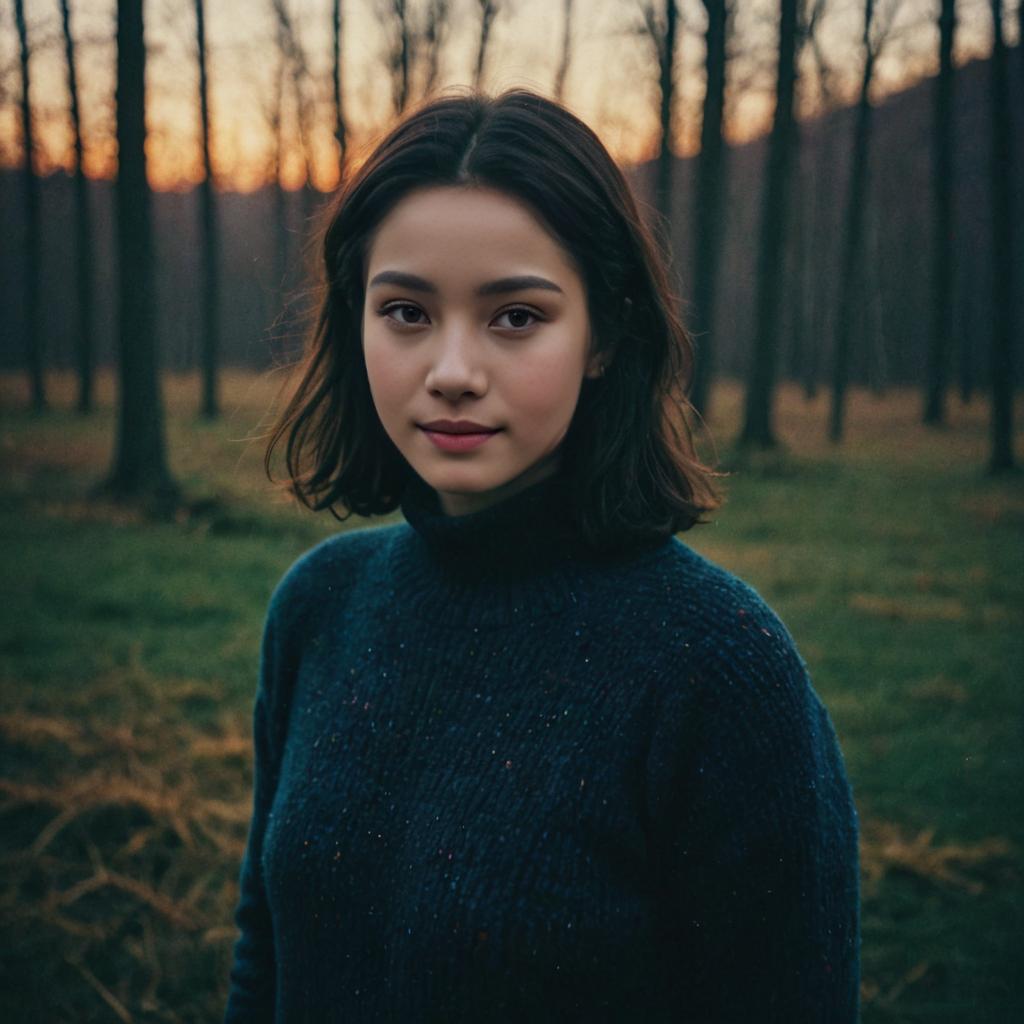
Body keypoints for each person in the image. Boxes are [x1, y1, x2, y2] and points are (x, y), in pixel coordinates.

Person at [224, 89, 860, 1023]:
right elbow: (265, 958)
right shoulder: (319, 606)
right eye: (404, 310)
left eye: (515, 317)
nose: (451, 370)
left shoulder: (718, 668)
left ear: (603, 334)